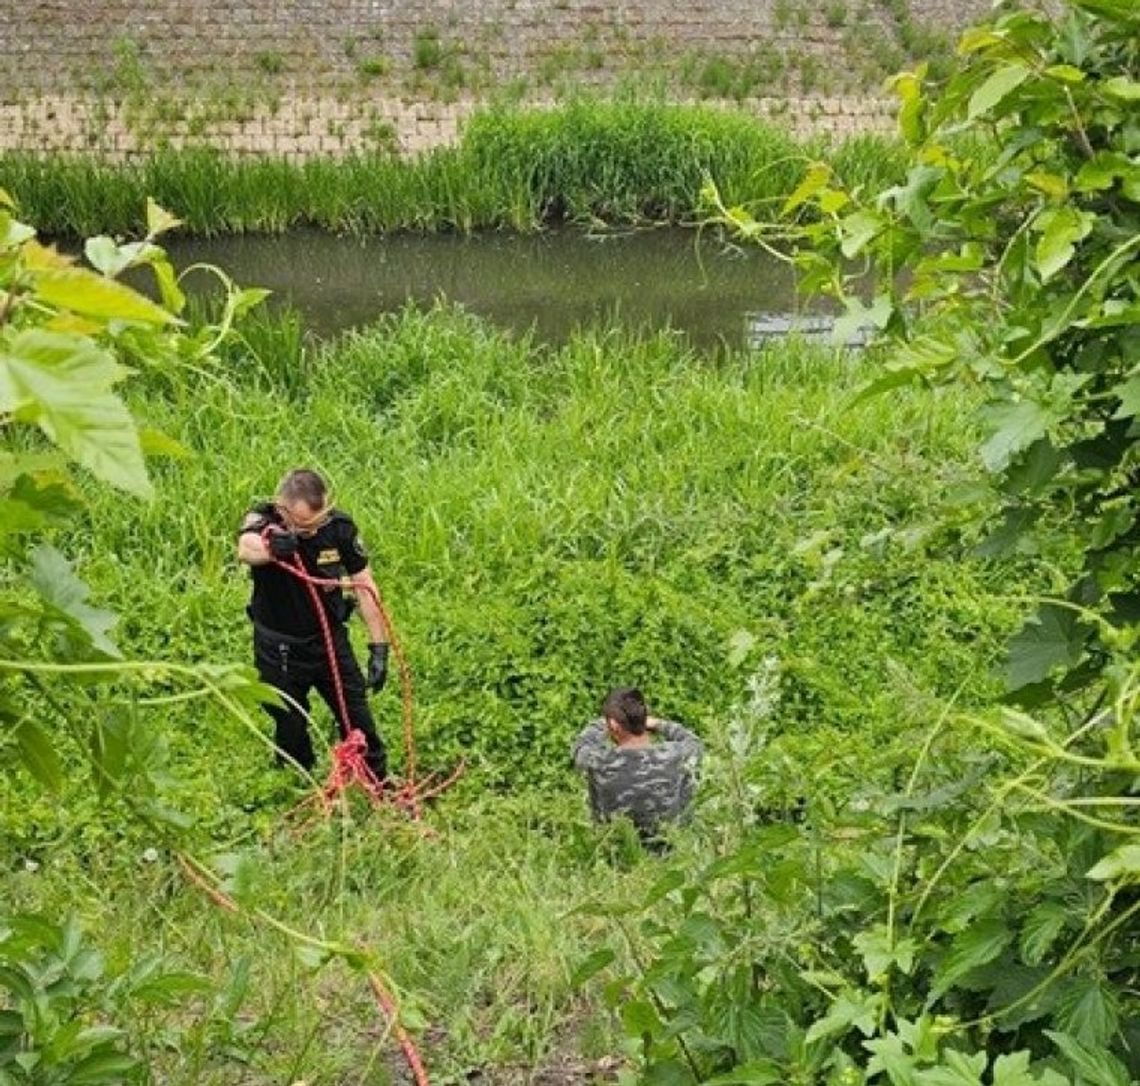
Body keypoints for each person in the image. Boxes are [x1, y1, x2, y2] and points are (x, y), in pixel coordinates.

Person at [236, 468, 389, 781]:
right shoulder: (264, 521)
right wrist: (270, 550)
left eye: (317, 523)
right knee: (289, 722)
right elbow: (246, 547)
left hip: (329, 640)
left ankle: (378, 783)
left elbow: (364, 584)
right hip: (279, 647)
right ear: (283, 510)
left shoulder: (340, 528)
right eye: (303, 526)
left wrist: (379, 646)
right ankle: (296, 781)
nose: (312, 532)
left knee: (357, 714)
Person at [572, 686, 703, 847]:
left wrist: (607, 721)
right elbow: (694, 742)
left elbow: (580, 746)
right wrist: (658, 724)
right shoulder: (674, 755)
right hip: (669, 849)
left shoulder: (599, 760)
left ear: (613, 725)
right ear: (644, 717)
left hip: (615, 851)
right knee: (687, 776)